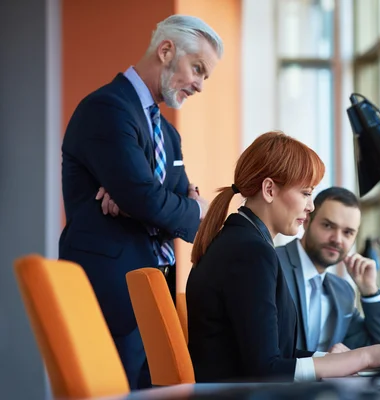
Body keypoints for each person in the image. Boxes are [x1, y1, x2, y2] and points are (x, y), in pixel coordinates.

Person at [186, 131, 380, 383]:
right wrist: (367, 358)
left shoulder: (240, 242)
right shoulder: (251, 253)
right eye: (306, 193)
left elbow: (272, 357)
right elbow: (265, 370)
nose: (309, 206)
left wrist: (365, 355)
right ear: (269, 189)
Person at [59, 15, 223, 389]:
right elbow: (148, 199)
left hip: (158, 292)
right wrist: (168, 202)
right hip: (112, 294)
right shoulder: (107, 108)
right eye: (197, 69)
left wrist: (182, 205)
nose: (199, 85)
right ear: (166, 51)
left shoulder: (168, 133)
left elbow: (175, 209)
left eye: (206, 76)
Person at [278, 186, 380, 352]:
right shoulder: (273, 264)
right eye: (328, 226)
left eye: (348, 232)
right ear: (307, 220)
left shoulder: (342, 292)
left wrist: (370, 292)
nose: (337, 239)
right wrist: (328, 361)